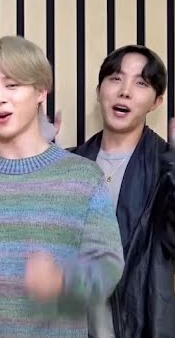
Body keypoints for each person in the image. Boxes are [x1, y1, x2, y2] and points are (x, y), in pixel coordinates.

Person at [0, 35, 124, 337]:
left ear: (41, 91)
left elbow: (108, 264)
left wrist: (63, 281)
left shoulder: (84, 177)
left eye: (12, 85)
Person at [71, 45, 175, 337]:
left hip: (141, 327)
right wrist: (36, 156)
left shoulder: (164, 169)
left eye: (141, 83)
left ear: (156, 101)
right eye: (115, 79)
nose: (125, 91)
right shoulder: (69, 163)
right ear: (99, 90)